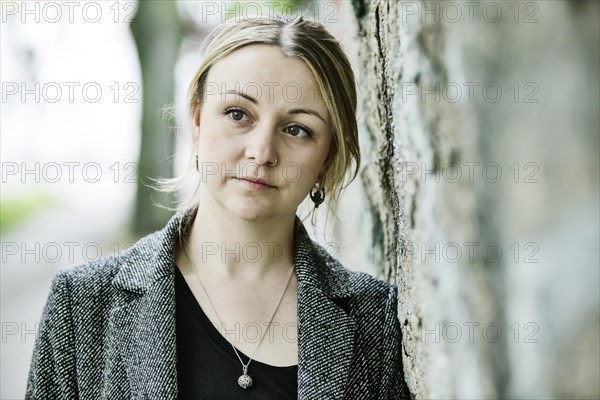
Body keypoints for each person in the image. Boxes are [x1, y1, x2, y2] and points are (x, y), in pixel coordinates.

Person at [25, 14, 411, 400]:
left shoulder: (373, 319)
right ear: (195, 120)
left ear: (326, 158)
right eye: (238, 114)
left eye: (297, 129)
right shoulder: (82, 304)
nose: (261, 152)